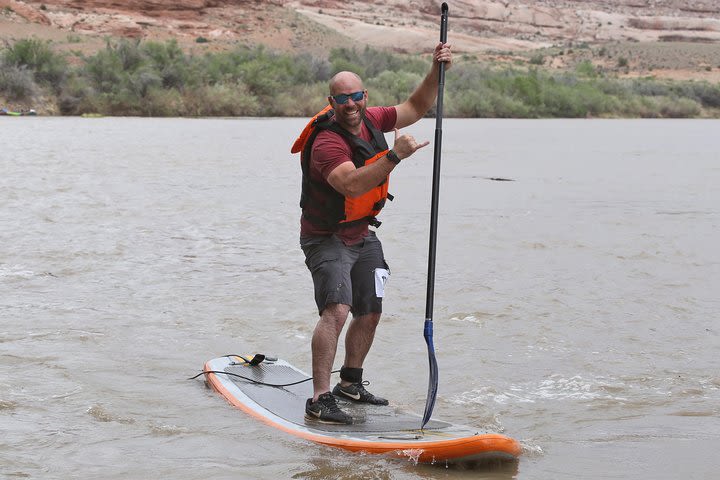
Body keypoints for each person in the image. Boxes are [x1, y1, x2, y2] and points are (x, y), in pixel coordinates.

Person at [293, 42, 453, 424]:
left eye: (357, 97)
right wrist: (394, 156)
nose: (351, 105)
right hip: (326, 237)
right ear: (332, 102)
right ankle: (319, 398)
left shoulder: (373, 117)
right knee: (337, 310)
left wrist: (436, 69)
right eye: (343, 99)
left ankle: (350, 382)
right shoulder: (327, 141)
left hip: (362, 233)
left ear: (365, 97)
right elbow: (350, 185)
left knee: (370, 310)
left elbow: (415, 107)